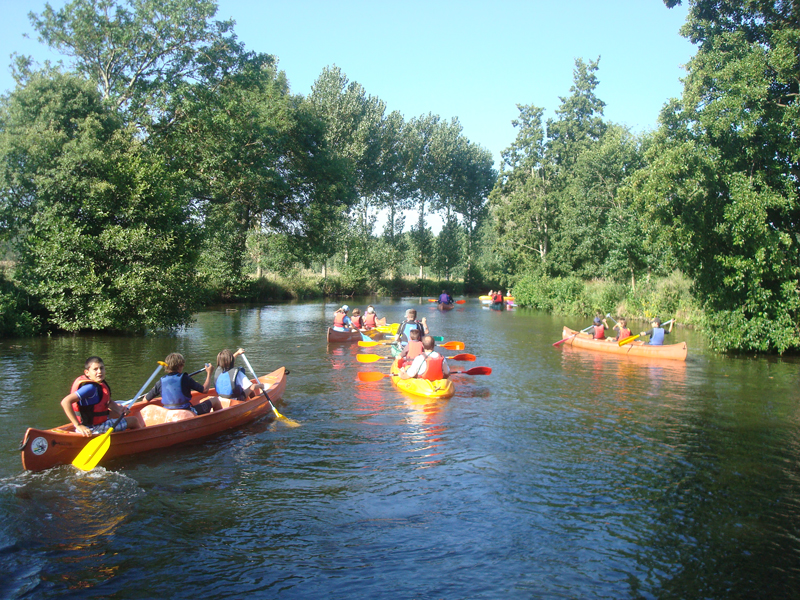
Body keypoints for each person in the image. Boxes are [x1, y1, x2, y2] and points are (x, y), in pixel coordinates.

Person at [61, 356, 144, 437]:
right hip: (94, 428)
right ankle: (139, 441)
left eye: (102, 368)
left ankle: (121, 436)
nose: (100, 371)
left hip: (93, 424)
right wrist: (78, 425)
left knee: (117, 413)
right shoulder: (90, 388)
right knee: (134, 420)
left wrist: (119, 410)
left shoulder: (98, 385)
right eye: (95, 369)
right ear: (87, 372)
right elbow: (65, 402)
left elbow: (107, 401)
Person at [144, 353, 221, 414]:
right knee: (215, 400)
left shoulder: (160, 382)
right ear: (180, 366)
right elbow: (205, 390)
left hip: (167, 414)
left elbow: (145, 400)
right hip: (185, 412)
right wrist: (209, 373)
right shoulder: (185, 378)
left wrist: (154, 389)